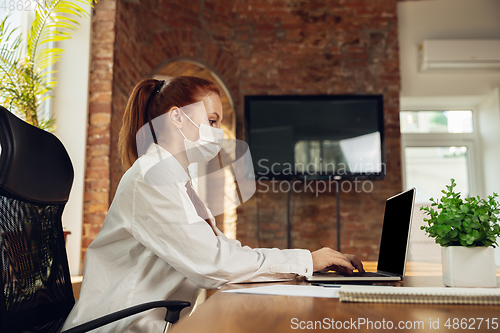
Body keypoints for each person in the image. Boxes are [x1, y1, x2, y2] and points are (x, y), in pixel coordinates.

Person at [62, 76, 364, 332]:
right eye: (211, 121)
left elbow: (224, 253)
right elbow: (213, 265)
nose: (217, 132)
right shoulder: (150, 178)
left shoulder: (176, 179)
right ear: (177, 117)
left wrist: (307, 262)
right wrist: (307, 261)